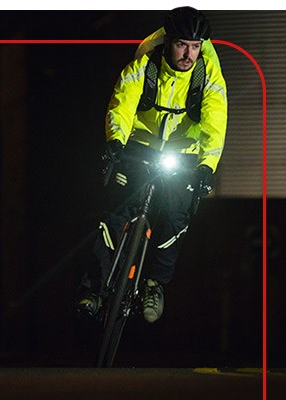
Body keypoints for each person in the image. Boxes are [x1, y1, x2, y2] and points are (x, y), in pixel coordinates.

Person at [76, 6, 228, 323]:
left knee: (175, 213)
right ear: (168, 41)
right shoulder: (146, 60)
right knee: (115, 214)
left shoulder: (208, 73)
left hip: (183, 150)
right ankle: (91, 290)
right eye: (181, 45)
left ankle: (154, 283)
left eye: (195, 46)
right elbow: (124, 99)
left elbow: (216, 120)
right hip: (140, 145)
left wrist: (206, 167)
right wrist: (115, 141)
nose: (188, 53)